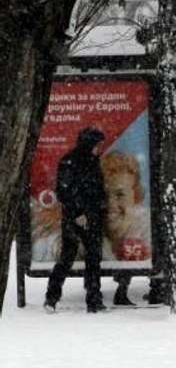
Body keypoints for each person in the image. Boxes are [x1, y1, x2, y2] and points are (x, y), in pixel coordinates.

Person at [43, 127, 107, 313]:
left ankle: (93, 299)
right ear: (89, 144)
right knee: (69, 257)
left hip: (92, 217)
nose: (99, 148)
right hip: (76, 218)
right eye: (98, 144)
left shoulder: (90, 161)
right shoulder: (71, 162)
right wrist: (78, 213)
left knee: (93, 258)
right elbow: (65, 191)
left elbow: (93, 189)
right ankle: (52, 297)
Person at [99, 151, 153, 306]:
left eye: (120, 195)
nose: (111, 203)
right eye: (104, 194)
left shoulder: (145, 229)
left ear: (135, 196)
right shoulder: (80, 236)